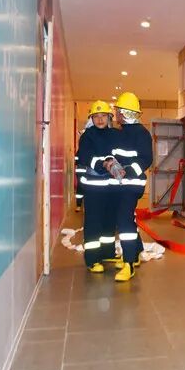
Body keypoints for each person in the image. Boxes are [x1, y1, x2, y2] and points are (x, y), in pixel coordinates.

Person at [108, 92, 153, 282]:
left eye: (118, 111)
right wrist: (110, 163)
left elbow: (146, 159)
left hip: (132, 185)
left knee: (124, 221)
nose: (116, 114)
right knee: (126, 219)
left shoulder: (142, 134)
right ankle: (136, 251)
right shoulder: (119, 133)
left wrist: (127, 170)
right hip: (119, 185)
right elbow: (112, 155)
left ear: (125, 113)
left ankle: (129, 263)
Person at [75, 100, 120, 273]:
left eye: (103, 116)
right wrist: (103, 163)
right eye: (96, 116)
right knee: (93, 222)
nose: (100, 119)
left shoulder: (115, 134)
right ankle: (92, 259)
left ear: (109, 117)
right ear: (91, 118)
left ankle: (108, 253)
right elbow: (86, 157)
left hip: (112, 186)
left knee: (109, 221)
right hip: (94, 187)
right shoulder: (88, 136)